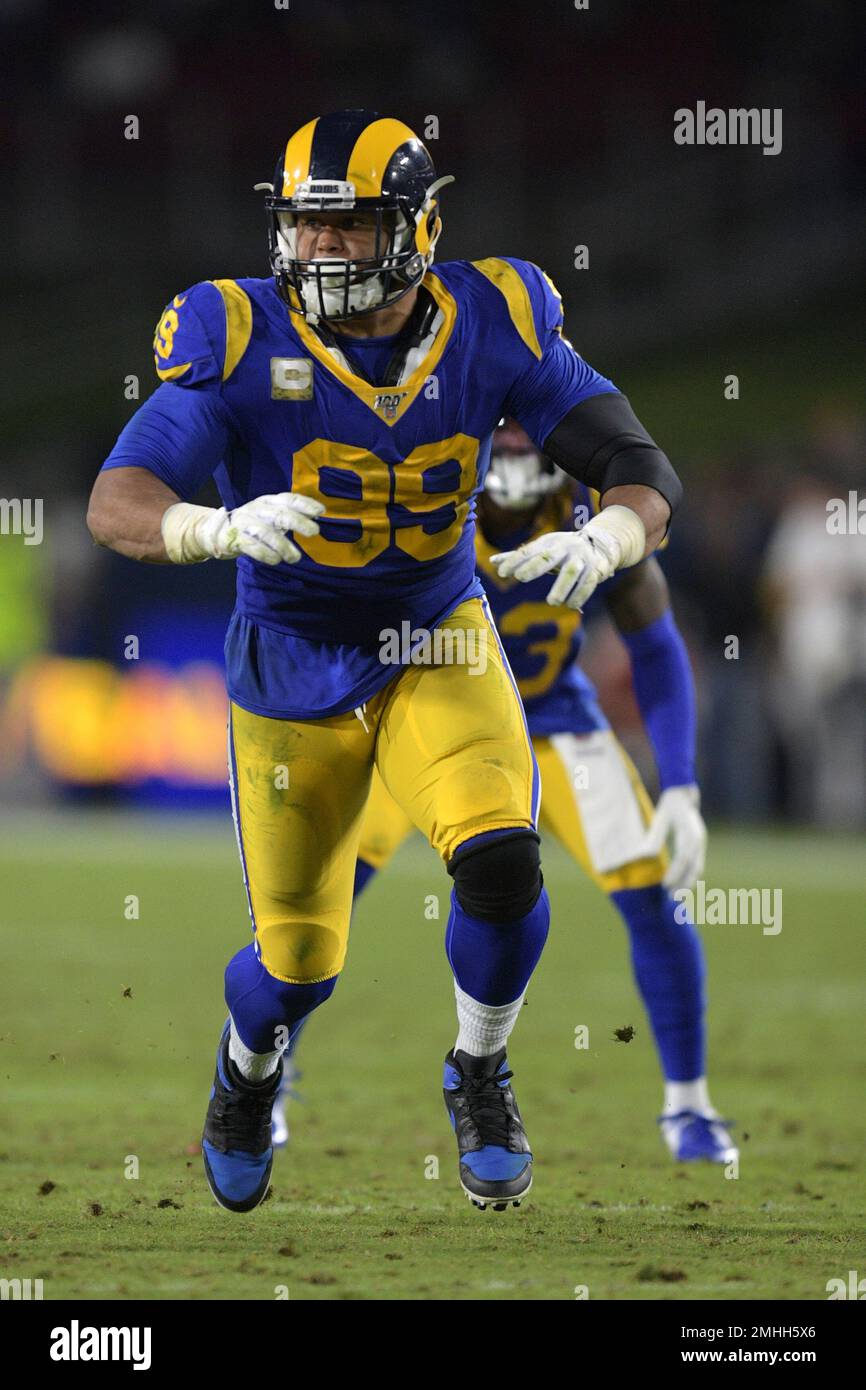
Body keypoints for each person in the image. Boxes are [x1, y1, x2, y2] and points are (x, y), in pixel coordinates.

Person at [86, 110, 680, 1213]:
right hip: (290, 660)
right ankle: (243, 1073)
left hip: (435, 636)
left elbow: (635, 463)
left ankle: (479, 1067)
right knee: (299, 961)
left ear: (414, 227)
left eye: (347, 227)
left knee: (501, 860)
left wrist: (608, 535)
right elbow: (118, 496)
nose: (318, 252)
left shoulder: (491, 320)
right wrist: (202, 531)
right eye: (304, 228)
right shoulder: (236, 331)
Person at [273, 422, 736, 1166]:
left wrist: (680, 782)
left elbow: (654, 640)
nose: (518, 455)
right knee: (316, 893)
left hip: (554, 724)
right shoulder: (426, 499)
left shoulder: (593, 511)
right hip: (426, 723)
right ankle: (270, 1073)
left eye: (532, 441)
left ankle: (689, 1105)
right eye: (506, 439)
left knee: (653, 891)